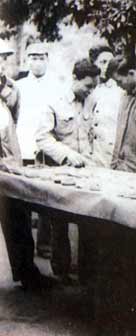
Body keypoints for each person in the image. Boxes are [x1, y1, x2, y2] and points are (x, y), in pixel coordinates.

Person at [36, 59, 100, 281]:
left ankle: (87, 273)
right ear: (75, 78)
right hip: (61, 171)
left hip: (88, 171)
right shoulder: (54, 101)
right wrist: (67, 155)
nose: (91, 91)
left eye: (94, 87)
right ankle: (61, 271)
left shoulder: (92, 100)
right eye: (88, 86)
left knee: (90, 220)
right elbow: (43, 137)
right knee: (59, 222)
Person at [0, 39, 55, 290]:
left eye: (5, 58)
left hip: (10, 164)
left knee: (18, 217)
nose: (3, 64)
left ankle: (27, 273)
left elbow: (13, 119)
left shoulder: (10, 88)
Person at [16, 42, 65, 259]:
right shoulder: (18, 86)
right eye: (33, 57)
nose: (37, 61)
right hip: (24, 146)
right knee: (23, 199)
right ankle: (25, 246)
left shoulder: (57, 85)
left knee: (47, 199)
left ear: (47, 58)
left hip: (47, 147)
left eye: (41, 57)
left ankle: (45, 245)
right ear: (27, 60)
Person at [84, 45, 125, 167]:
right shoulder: (87, 89)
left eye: (110, 62)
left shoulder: (119, 91)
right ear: (94, 64)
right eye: (103, 62)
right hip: (90, 154)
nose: (107, 65)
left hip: (111, 153)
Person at [110, 54, 136, 173]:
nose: (118, 85)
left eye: (119, 81)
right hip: (119, 168)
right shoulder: (124, 97)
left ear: (131, 73)